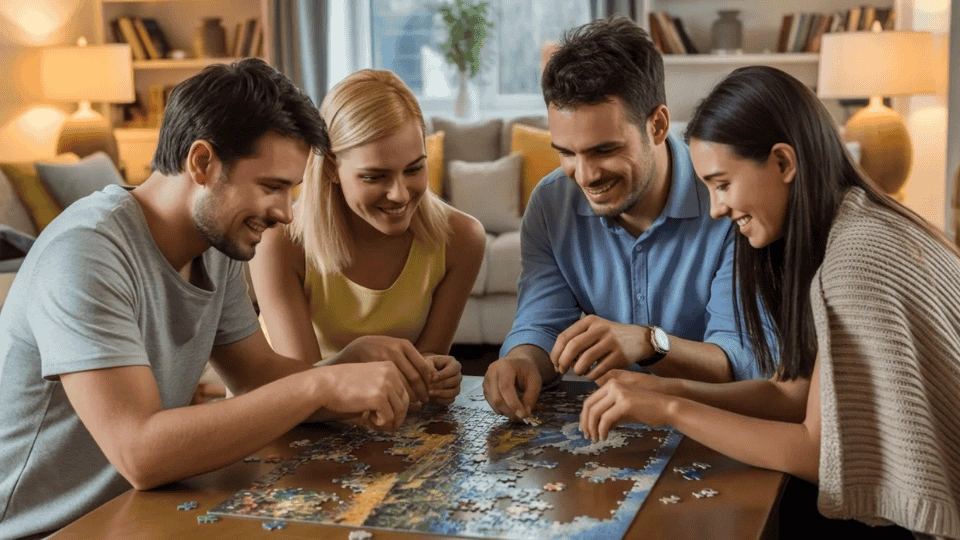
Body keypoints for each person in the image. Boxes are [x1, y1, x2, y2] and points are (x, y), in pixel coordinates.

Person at [0, 59, 415, 540]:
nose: (285, 213)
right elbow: (141, 453)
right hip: (44, 528)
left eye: (291, 190)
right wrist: (322, 386)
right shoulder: (86, 252)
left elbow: (258, 377)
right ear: (201, 163)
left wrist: (344, 369)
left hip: (140, 511)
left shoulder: (215, 245)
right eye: (271, 187)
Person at [579, 66, 960, 539]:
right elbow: (791, 394)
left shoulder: (856, 260)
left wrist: (670, 412)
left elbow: (818, 455)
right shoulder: (847, 226)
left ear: (783, 163)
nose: (717, 209)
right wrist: (667, 390)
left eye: (722, 184)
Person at [483, 17, 771, 421]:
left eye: (604, 150)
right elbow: (541, 324)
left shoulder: (726, 200)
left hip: (715, 422)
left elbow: (745, 362)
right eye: (566, 152)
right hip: (607, 427)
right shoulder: (551, 204)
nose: (584, 175)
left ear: (658, 125)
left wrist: (649, 343)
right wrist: (522, 362)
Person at [250, 69, 484, 407]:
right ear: (330, 168)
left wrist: (437, 377)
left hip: (378, 420)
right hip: (282, 419)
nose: (400, 195)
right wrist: (356, 359)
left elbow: (420, 380)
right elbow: (301, 391)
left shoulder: (461, 240)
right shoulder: (281, 242)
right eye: (375, 177)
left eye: (415, 169)